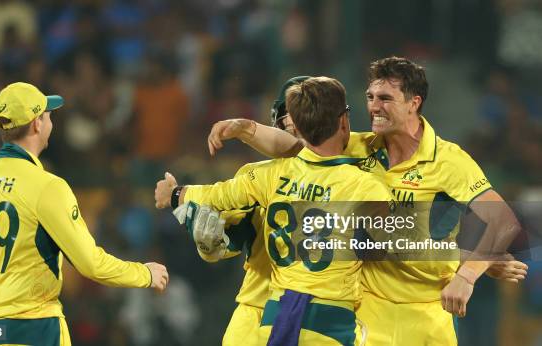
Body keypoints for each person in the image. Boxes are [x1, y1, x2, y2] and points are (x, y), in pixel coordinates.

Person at [205, 57, 527, 345]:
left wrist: (467, 274)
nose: (374, 107)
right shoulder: (360, 147)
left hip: (429, 313)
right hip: (367, 311)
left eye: (386, 98)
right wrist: (245, 129)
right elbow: (294, 147)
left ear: (414, 103)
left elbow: (502, 221)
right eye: (371, 97)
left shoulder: (449, 161)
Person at [157, 76, 394, 345]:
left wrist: (178, 197)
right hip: (275, 308)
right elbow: (226, 243)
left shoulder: (263, 178)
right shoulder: (363, 178)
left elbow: (210, 199)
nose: (292, 130)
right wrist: (208, 241)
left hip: (281, 309)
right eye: (286, 124)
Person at [0, 82, 169, 346]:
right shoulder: (47, 186)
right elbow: (90, 263)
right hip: (36, 328)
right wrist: (144, 274)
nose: (51, 120)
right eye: (48, 114)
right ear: (37, 124)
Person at [170, 76, 310, 346]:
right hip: (260, 309)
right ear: (278, 123)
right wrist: (210, 244)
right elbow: (229, 241)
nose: (298, 124)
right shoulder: (257, 177)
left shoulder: (352, 174)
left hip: (322, 314)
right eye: (291, 116)